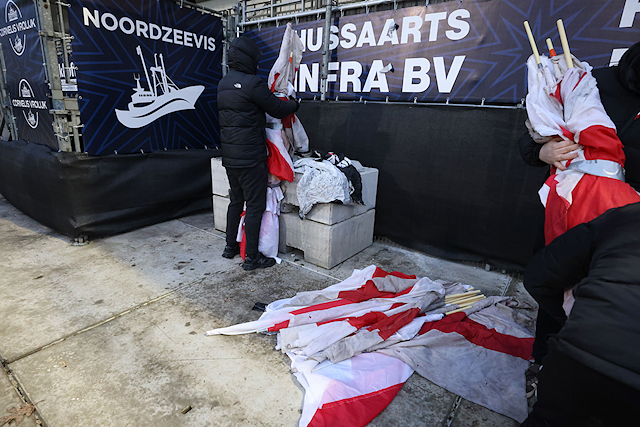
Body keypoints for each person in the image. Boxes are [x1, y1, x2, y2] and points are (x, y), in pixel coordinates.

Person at [518, 42, 640, 369]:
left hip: (626, 228)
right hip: (568, 212)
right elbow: (531, 136)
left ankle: (588, 368)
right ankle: (544, 361)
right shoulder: (588, 82)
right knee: (553, 286)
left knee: (608, 303)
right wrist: (541, 152)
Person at [521, 202, 640, 426]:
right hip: (582, 355)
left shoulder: (625, 216)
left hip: (578, 358)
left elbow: (538, 278)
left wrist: (571, 321)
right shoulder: (624, 215)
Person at [217, 36, 299, 271]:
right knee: (255, 205)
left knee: (236, 200)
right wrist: (295, 104)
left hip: (230, 157)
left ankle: (230, 247)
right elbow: (277, 108)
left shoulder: (223, 83)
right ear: (249, 59)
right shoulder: (252, 83)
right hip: (251, 158)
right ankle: (252, 258)